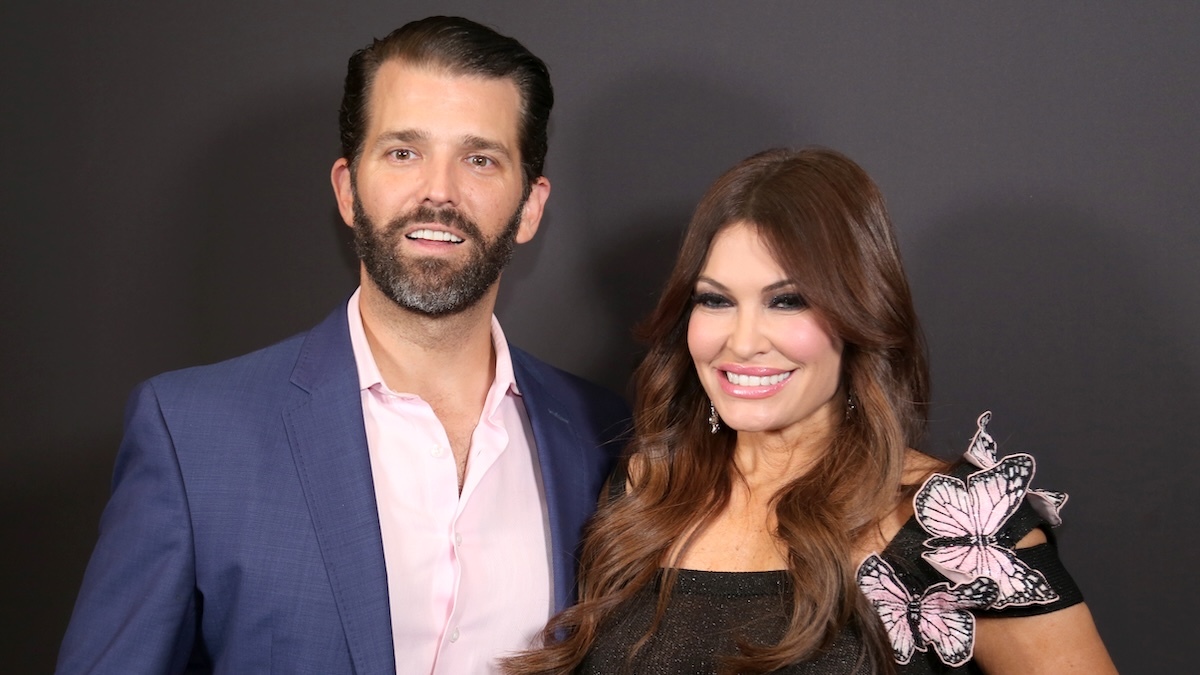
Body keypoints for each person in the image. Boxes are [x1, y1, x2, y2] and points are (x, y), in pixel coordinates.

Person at [56, 16, 628, 675]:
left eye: (479, 159)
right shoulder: (192, 435)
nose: (438, 191)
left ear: (530, 207)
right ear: (347, 190)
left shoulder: (603, 441)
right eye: (403, 152)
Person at [504, 148, 1116, 674]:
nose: (742, 341)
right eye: (715, 301)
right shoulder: (641, 492)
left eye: (788, 301)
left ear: (861, 315)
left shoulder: (951, 526)